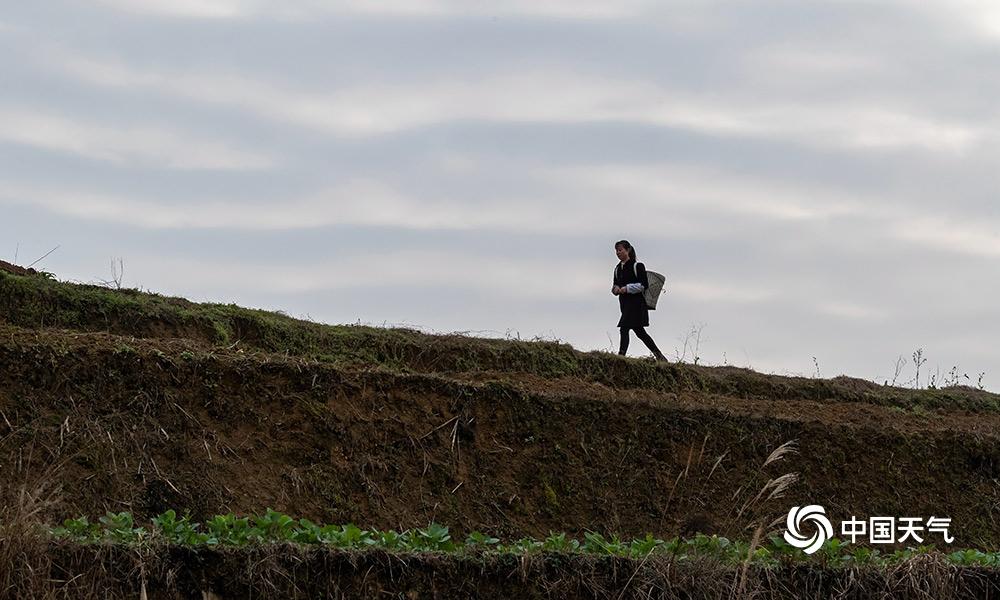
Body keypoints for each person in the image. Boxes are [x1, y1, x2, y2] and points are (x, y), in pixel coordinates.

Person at [612, 240, 667, 361]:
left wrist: (626, 289)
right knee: (639, 331)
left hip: (636, 304)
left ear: (628, 250)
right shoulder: (617, 269)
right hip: (625, 304)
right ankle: (659, 355)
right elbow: (615, 284)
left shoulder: (637, 266)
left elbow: (644, 285)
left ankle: (621, 356)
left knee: (624, 328)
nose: (618, 252)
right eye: (616, 250)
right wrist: (615, 289)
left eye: (620, 250)